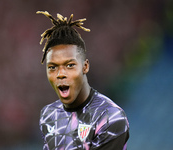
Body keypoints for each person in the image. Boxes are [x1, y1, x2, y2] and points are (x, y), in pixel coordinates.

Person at [36, 11, 129, 150]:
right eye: (52, 67)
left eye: (70, 65)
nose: (60, 74)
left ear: (85, 67)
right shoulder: (48, 115)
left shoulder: (110, 118)